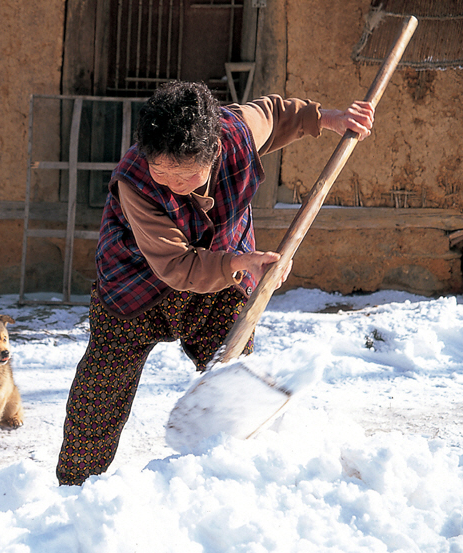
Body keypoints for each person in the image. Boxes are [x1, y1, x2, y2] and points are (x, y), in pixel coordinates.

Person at [56, 81, 375, 486]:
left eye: (186, 173)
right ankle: (74, 489)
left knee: (236, 384)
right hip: (135, 289)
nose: (172, 181)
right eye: (161, 169)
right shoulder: (135, 182)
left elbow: (276, 114)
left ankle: (229, 476)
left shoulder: (236, 132)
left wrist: (329, 118)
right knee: (100, 392)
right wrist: (240, 261)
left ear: (213, 152)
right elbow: (175, 263)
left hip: (220, 287)